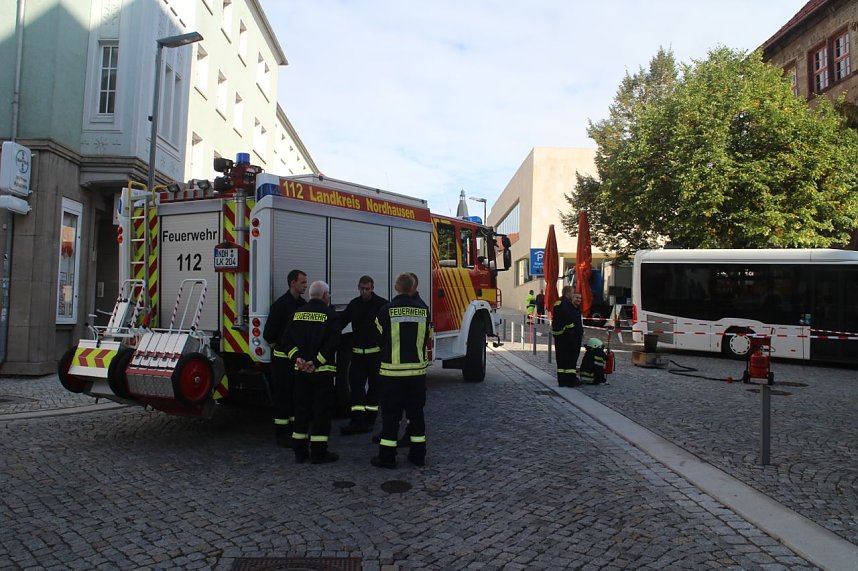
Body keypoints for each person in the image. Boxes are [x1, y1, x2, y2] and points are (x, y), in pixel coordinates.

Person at [371, 273, 431, 469]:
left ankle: (387, 457)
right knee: (416, 416)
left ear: (396, 287)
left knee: (390, 417)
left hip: (392, 374)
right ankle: (418, 455)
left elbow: (378, 339)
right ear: (412, 287)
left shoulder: (385, 310)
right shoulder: (423, 310)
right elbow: (426, 338)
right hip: (417, 374)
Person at [280, 281, 341, 464]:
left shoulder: (296, 314)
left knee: (301, 411)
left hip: (300, 373)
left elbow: (285, 341)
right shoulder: (331, 315)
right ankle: (318, 453)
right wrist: (315, 362)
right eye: (328, 294)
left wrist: (297, 358)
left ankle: (300, 452)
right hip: (322, 373)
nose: (329, 297)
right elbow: (333, 344)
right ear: (324, 296)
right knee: (321, 413)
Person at [263, 269, 307, 448]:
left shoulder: (303, 304)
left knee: (295, 397)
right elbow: (268, 334)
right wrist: (280, 350)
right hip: (282, 361)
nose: (305, 285)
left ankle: (293, 430)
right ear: (292, 283)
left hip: (296, 360)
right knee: (282, 398)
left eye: (305, 282)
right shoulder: (280, 305)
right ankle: (281, 433)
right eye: (302, 282)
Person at [339, 275, 388, 435]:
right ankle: (356, 420)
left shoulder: (382, 305)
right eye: (362, 289)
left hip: (375, 355)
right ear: (358, 288)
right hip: (358, 355)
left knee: (375, 388)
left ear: (373, 288)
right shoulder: (354, 304)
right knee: (356, 388)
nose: (364, 292)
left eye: (367, 289)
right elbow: (341, 321)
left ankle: (370, 419)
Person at [551, 286, 584, 387]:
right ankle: (570, 380)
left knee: (561, 358)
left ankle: (562, 380)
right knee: (570, 357)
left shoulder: (558, 302)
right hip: (567, 335)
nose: (573, 295)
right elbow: (568, 317)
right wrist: (572, 329)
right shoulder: (566, 304)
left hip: (559, 334)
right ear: (568, 293)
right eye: (572, 293)